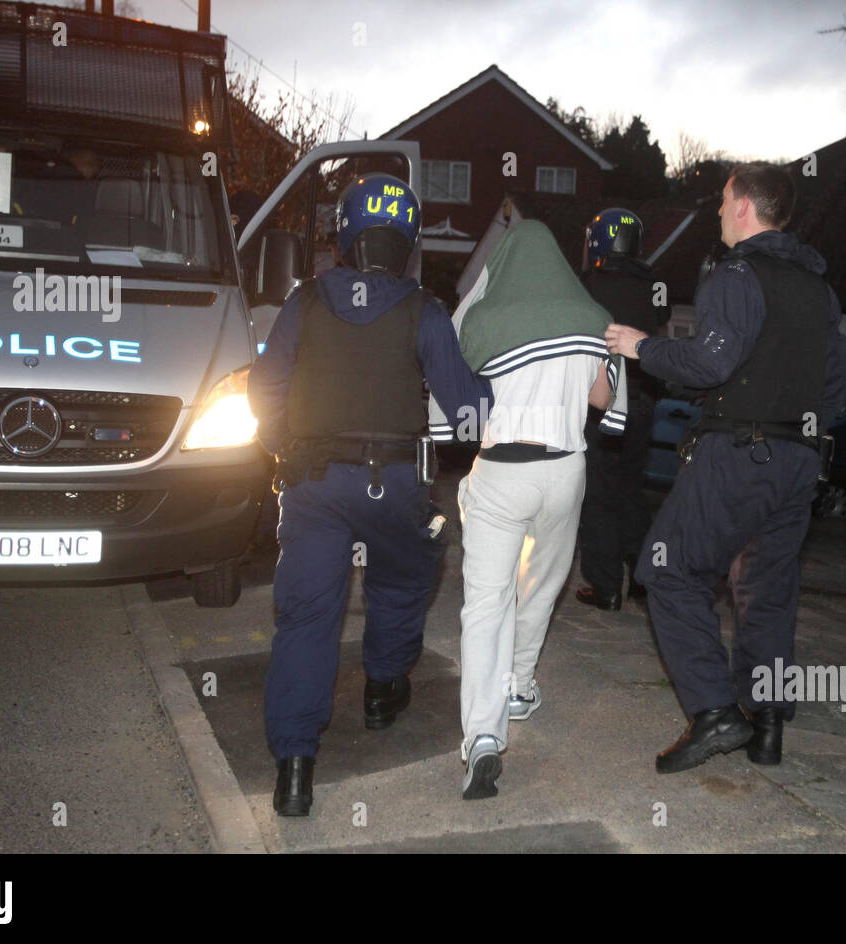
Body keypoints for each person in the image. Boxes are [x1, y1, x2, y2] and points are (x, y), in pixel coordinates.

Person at [247, 173, 492, 816]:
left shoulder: (302, 301)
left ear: (344, 237)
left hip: (315, 484)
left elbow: (262, 388)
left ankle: (295, 770)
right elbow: (466, 410)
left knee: (307, 616)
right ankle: (384, 688)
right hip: (397, 484)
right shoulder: (427, 310)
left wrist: (283, 447)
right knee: (404, 581)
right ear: (407, 242)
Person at [605, 162, 846, 772]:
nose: (716, 212)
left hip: (741, 453)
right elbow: (838, 385)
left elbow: (711, 361)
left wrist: (642, 347)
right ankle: (766, 726)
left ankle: (715, 713)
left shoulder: (736, 273)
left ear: (743, 205)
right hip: (799, 462)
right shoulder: (819, 289)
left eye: (721, 200)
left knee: (667, 569)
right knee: (767, 592)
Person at [429, 220, 627, 799]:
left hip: (502, 470)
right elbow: (603, 399)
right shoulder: (590, 317)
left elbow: (452, 387)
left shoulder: (485, 318)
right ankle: (519, 685)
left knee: (486, 605)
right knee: (540, 587)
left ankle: (483, 738)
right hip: (565, 468)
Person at [575, 208, 668, 610]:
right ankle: (645, 578)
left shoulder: (585, 284)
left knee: (598, 495)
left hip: (601, 402)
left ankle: (605, 586)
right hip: (643, 405)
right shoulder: (657, 285)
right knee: (631, 491)